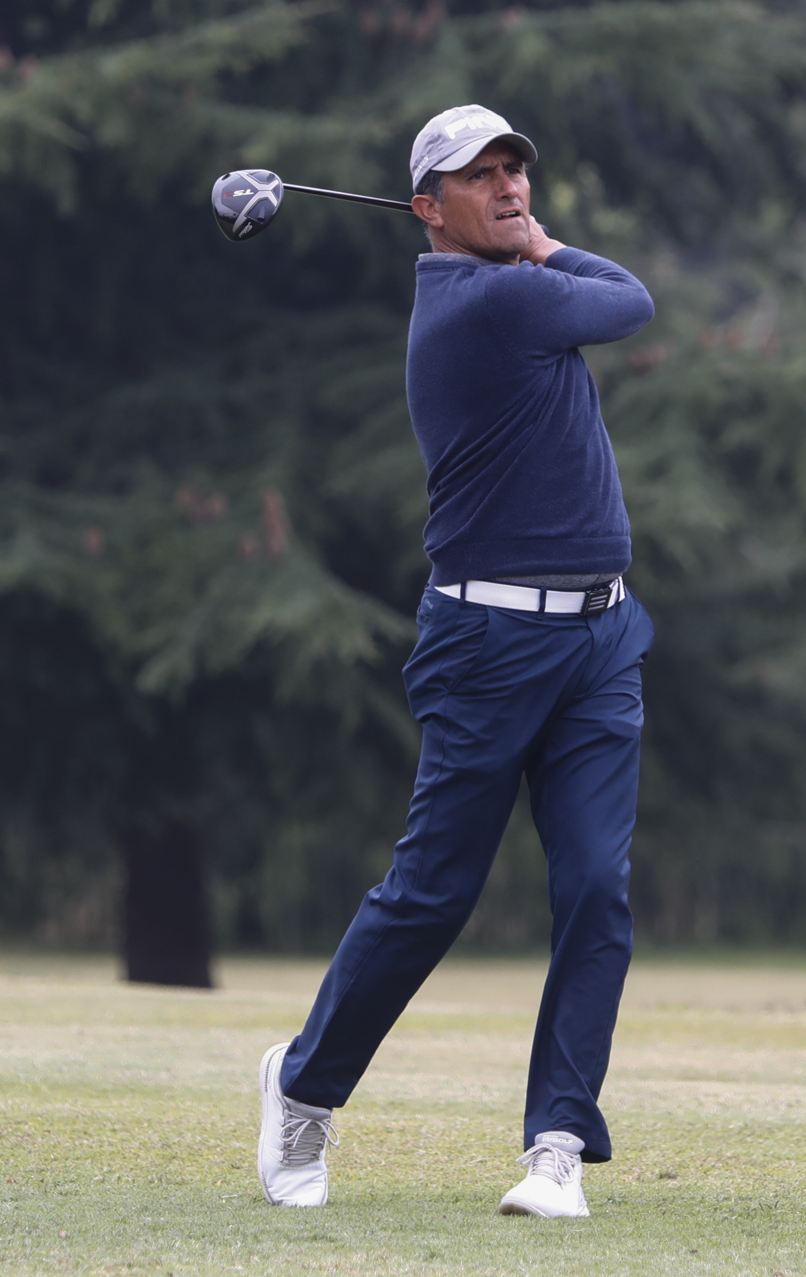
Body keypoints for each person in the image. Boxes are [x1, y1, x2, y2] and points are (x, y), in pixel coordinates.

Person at [255, 105, 656, 1220]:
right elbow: (630, 299)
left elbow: (615, 299)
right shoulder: (489, 301)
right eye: (480, 176)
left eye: (515, 168)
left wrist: (526, 240)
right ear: (426, 209)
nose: (511, 186)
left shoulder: (508, 285)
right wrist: (544, 246)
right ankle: (302, 1087)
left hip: (601, 637)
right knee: (433, 893)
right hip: (489, 644)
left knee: (596, 887)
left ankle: (557, 1144)